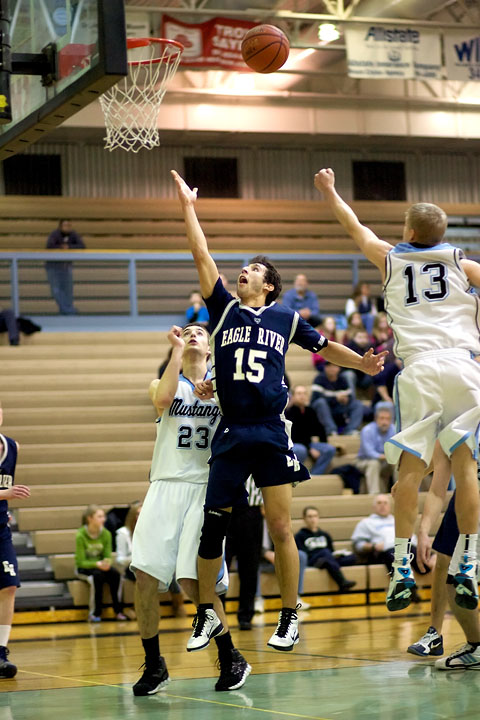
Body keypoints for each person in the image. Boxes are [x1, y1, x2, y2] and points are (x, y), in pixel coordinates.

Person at [171, 169, 386, 653]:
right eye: (242, 267)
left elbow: (325, 346)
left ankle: (290, 615)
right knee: (214, 526)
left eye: (252, 269)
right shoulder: (222, 308)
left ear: (269, 286)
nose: (242, 271)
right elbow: (200, 254)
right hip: (230, 428)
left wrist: (363, 363)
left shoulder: (286, 317)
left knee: (281, 525)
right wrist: (189, 206)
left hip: (270, 429)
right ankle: (207, 612)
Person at [315, 167, 480, 613]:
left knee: (411, 469)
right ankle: (471, 559)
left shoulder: (390, 258)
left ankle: (403, 564)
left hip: (421, 368)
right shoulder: (461, 263)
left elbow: (354, 226)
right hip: (465, 366)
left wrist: (330, 190)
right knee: (465, 466)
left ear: (408, 230)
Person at [131, 323, 250, 695]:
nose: (194, 334)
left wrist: (219, 389)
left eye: (201, 332)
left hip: (205, 488)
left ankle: (231, 657)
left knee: (192, 582)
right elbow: (162, 399)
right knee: (145, 577)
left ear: (213, 349)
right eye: (189, 332)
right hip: (164, 485)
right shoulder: (166, 381)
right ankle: (154, 665)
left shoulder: (227, 390)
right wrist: (175, 353)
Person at [408, 444, 480, 669]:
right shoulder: (454, 424)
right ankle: (437, 634)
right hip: (467, 496)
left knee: (457, 577)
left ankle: (475, 646)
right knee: (447, 567)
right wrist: (423, 530)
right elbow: (440, 474)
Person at [0, 402, 30, 678]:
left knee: (9, 586)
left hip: (1, 532)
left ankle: (0, 652)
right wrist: (3, 494)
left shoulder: (12, 447)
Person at [351, 495, 432, 589]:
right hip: (383, 552)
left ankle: (421, 574)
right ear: (373, 507)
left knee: (417, 551)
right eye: (379, 503)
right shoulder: (366, 523)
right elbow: (358, 545)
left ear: (389, 507)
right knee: (393, 553)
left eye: (385, 503)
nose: (382, 506)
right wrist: (373, 546)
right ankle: (407, 586)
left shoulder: (398, 521)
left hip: (406, 548)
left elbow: (413, 538)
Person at [75, 505, 127, 623]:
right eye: (99, 517)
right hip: (84, 568)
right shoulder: (81, 535)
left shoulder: (106, 534)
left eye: (103, 516)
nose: (103, 519)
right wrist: (97, 564)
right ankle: (94, 613)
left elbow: (108, 556)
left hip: (100, 567)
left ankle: (118, 611)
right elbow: (80, 562)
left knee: (116, 575)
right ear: (90, 518)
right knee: (97, 577)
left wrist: (107, 563)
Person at [224, 476, 263, 631]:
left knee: (250, 568)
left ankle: (246, 615)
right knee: (219, 568)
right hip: (225, 509)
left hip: (252, 511)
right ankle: (216, 616)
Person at [295, 506, 357, 592]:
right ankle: (342, 581)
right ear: (304, 518)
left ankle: (331, 566)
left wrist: (337, 555)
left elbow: (331, 551)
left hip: (327, 559)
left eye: (315, 516)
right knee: (325, 552)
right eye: (310, 516)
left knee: (352, 557)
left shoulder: (325, 534)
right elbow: (304, 555)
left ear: (318, 518)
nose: (313, 519)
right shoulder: (299, 536)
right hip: (313, 560)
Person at [285, 385, 336, 476]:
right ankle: (295, 474)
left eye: (304, 393)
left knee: (329, 449)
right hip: (294, 444)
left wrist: (323, 442)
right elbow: (295, 436)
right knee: (301, 450)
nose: (302, 396)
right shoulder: (289, 413)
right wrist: (310, 449)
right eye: (299, 394)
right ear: (293, 397)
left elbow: (320, 429)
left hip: (307, 443)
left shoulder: (310, 411)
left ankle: (315, 474)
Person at [311, 361, 365, 437]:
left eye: (334, 366)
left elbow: (349, 396)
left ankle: (350, 430)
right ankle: (331, 430)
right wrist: (335, 399)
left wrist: (346, 400)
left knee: (357, 404)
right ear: (325, 368)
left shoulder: (342, 380)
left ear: (339, 368)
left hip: (339, 408)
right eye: (329, 366)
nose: (332, 369)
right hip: (324, 410)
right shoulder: (319, 379)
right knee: (321, 403)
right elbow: (315, 398)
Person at [45, 219, 85, 314]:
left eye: (69, 225)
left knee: (68, 291)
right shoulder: (54, 234)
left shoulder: (73, 234)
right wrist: (61, 248)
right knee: (56, 290)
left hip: (66, 268)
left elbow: (82, 246)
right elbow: (49, 247)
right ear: (60, 226)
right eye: (65, 225)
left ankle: (65, 312)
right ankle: (69, 311)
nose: (67, 227)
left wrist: (69, 247)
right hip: (53, 268)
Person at [354, 404, 396, 494]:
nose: (384, 422)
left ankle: (401, 491)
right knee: (374, 463)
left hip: (386, 461)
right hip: (364, 461)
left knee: (398, 463)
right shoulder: (367, 430)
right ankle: (375, 495)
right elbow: (370, 453)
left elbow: (398, 450)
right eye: (382, 418)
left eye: (387, 419)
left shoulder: (394, 430)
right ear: (376, 419)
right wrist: (388, 457)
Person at [115, 502, 142, 583]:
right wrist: (134, 559)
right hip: (130, 568)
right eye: (138, 514)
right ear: (132, 516)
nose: (141, 517)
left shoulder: (149, 532)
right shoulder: (123, 533)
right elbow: (120, 559)